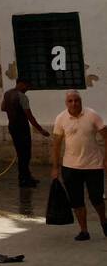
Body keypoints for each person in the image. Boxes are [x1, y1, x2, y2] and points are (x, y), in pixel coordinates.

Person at [51, 90, 107, 241]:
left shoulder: (92, 115)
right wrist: (55, 167)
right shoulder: (61, 118)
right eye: (70, 101)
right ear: (66, 103)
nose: (74, 103)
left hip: (93, 165)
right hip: (70, 167)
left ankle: (104, 222)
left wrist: (106, 159)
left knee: (97, 198)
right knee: (76, 200)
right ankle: (84, 231)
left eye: (77, 100)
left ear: (81, 101)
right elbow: (56, 144)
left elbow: (106, 136)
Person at [0, 79, 48, 187]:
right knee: (25, 155)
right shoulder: (22, 97)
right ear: (21, 84)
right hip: (22, 128)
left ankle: (26, 176)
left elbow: (3, 108)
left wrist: (12, 109)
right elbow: (29, 116)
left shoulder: (7, 93)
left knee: (20, 153)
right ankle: (24, 179)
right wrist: (41, 130)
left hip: (12, 126)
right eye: (27, 86)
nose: (27, 89)